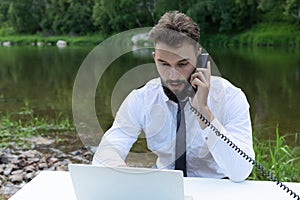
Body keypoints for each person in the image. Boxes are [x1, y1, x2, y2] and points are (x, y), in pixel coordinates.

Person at [92, 10, 254, 182]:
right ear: (155, 58)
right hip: (163, 188)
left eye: (183, 63)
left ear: (199, 57)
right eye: (164, 64)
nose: (173, 76)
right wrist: (124, 176)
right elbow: (105, 154)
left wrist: (205, 113)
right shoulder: (141, 99)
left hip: (215, 189)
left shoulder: (231, 97)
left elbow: (240, 172)